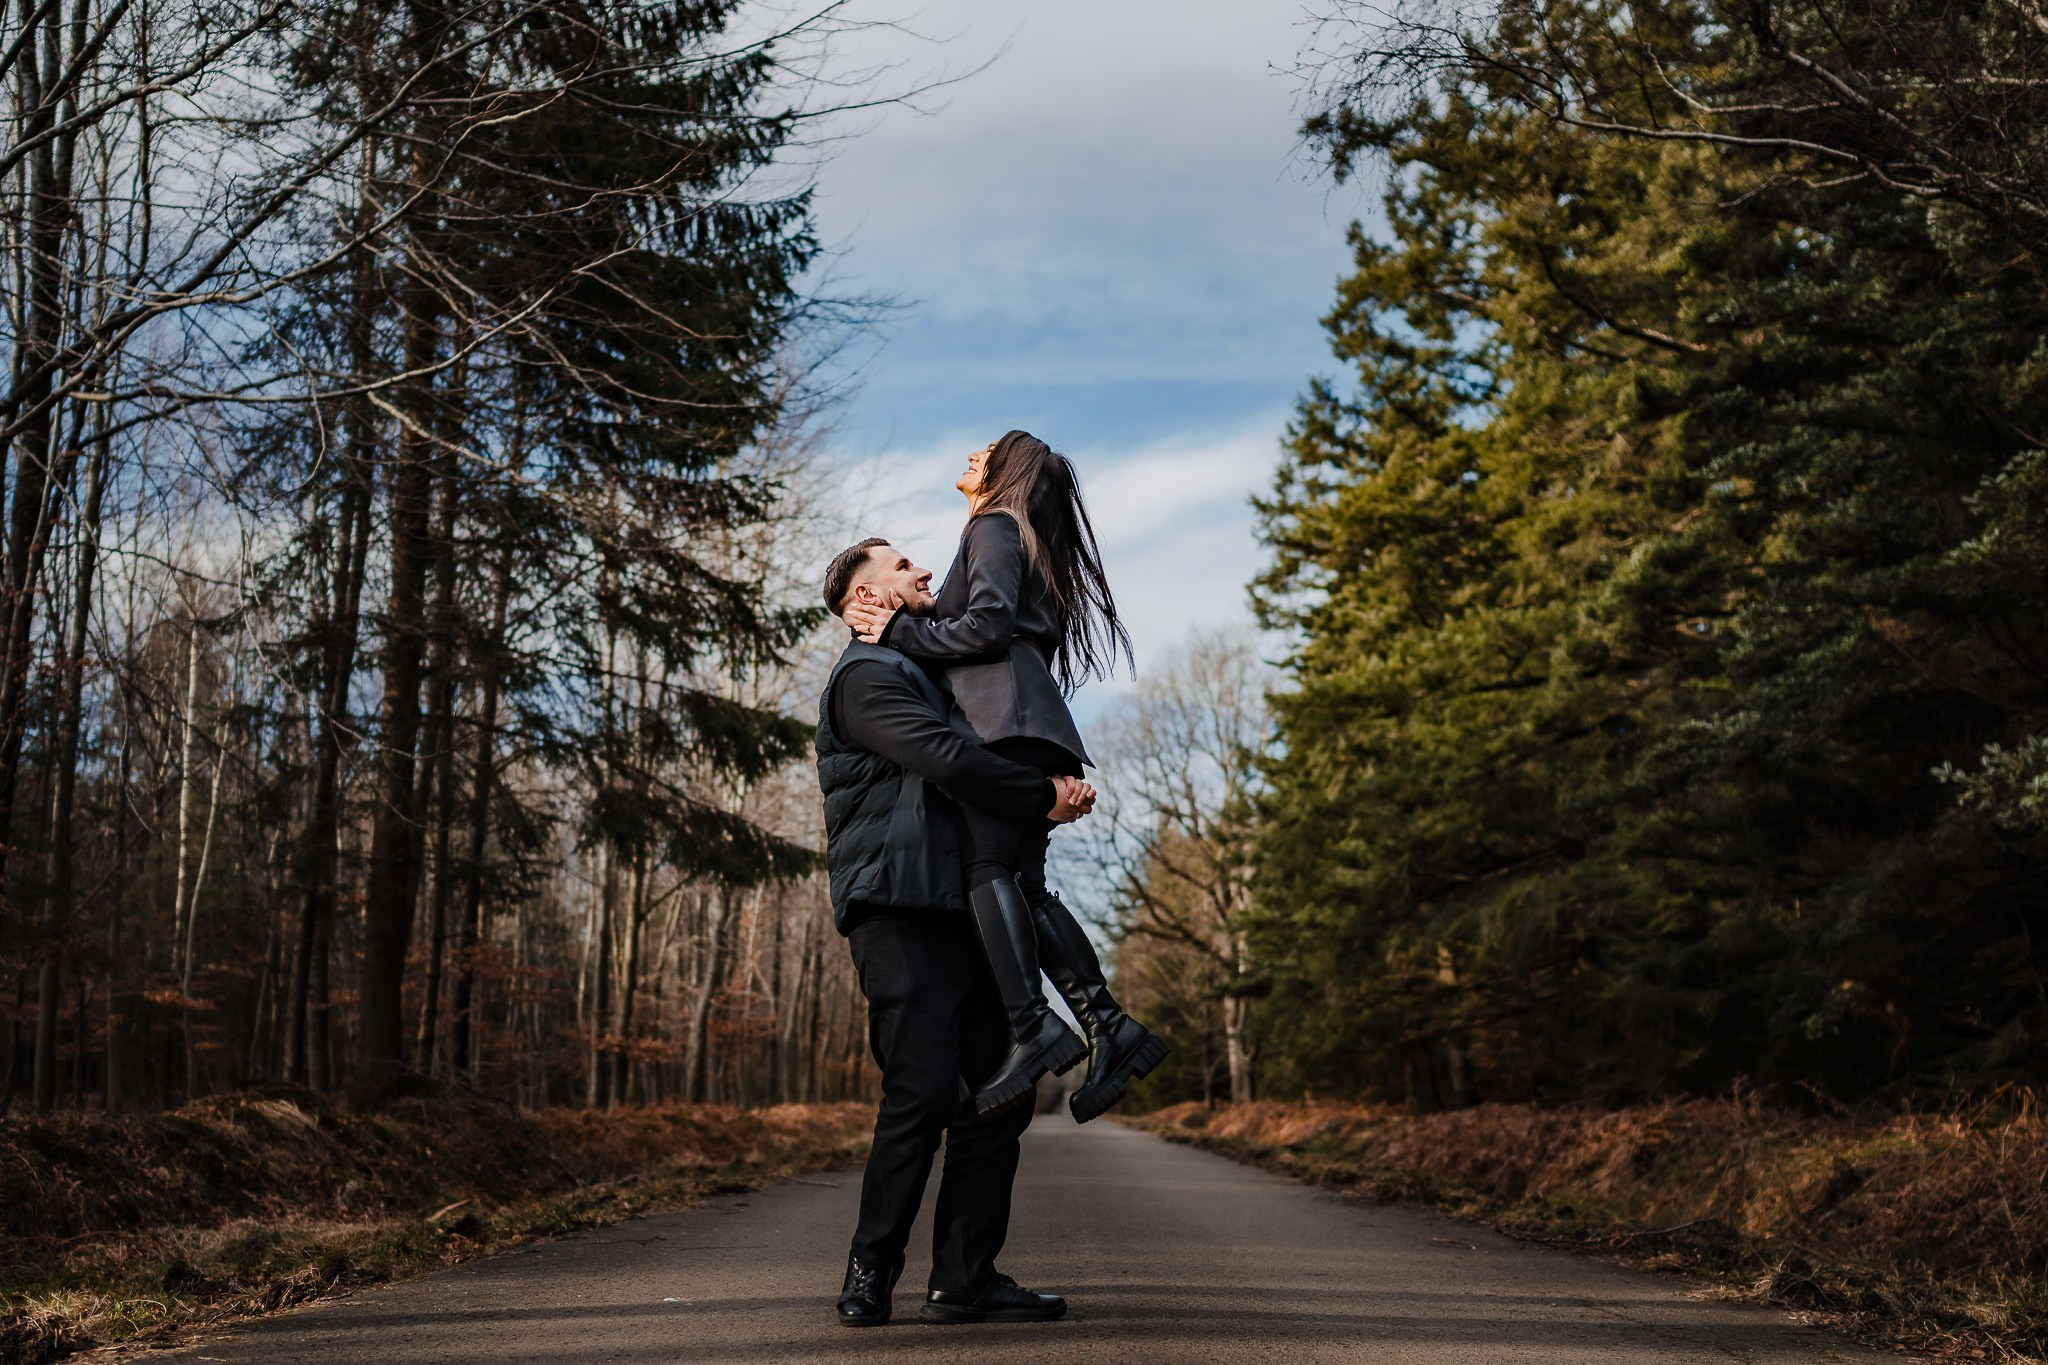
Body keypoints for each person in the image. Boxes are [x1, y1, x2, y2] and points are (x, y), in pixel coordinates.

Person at [842, 430, 1167, 1122]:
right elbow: (988, 619)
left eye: (983, 450)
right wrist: (927, 613)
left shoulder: (994, 525)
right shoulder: (1007, 532)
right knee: (1022, 883)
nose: (969, 454)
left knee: (985, 867)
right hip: (1029, 720)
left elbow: (987, 628)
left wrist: (898, 633)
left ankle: (1033, 1025)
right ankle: (1108, 1024)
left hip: (1005, 721)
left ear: (1004, 469)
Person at [818, 537, 1090, 1328]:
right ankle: (871, 1269)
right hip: (900, 912)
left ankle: (964, 1278)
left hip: (971, 909)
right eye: (902, 566)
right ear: (863, 597)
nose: (925, 570)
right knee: (924, 1090)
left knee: (1003, 1090)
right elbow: (944, 758)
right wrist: (1039, 794)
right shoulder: (864, 679)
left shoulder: (922, 669)